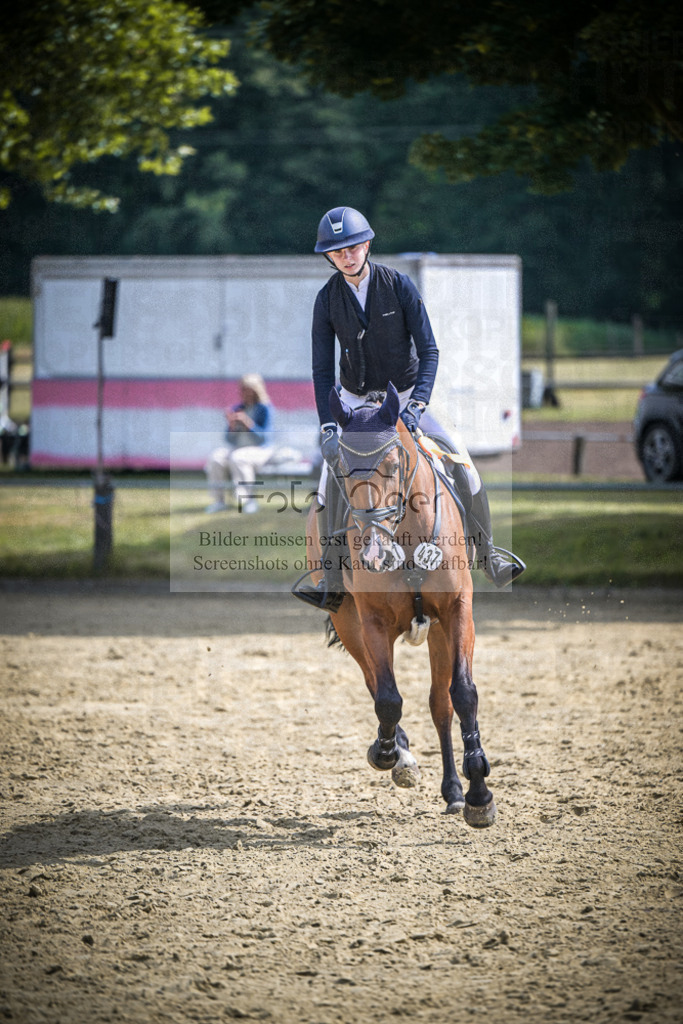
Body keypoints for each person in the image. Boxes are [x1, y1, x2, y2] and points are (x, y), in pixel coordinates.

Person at [294, 205, 525, 609]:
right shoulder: (326, 300)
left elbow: (430, 350)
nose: (346, 256)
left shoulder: (398, 285)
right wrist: (329, 425)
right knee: (328, 484)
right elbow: (320, 369)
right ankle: (332, 578)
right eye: (337, 252)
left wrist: (418, 403)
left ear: (366, 245)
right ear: (329, 257)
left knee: (464, 466)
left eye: (352, 247)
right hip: (353, 403)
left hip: (403, 395)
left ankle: (488, 555)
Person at [205, 374, 274, 513]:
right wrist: (231, 426)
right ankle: (219, 501)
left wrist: (248, 424)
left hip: (259, 450)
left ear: (256, 390)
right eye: (242, 389)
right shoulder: (238, 408)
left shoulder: (264, 409)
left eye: (247, 389)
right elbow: (229, 440)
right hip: (238, 448)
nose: (243, 393)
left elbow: (263, 439)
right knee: (216, 458)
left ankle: (248, 500)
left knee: (239, 458)